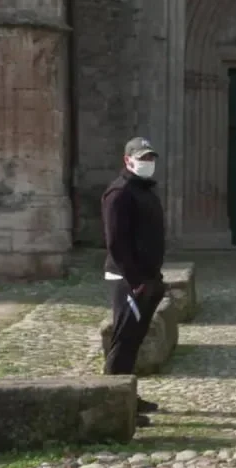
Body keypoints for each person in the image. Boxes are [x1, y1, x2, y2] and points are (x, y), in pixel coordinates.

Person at [101, 136, 167, 427]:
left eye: (151, 158)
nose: (147, 163)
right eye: (142, 158)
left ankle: (128, 395)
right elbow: (116, 242)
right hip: (128, 279)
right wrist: (136, 279)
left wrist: (154, 276)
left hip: (147, 277)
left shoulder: (145, 191)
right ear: (127, 160)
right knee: (123, 340)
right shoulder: (119, 193)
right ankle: (113, 404)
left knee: (134, 342)